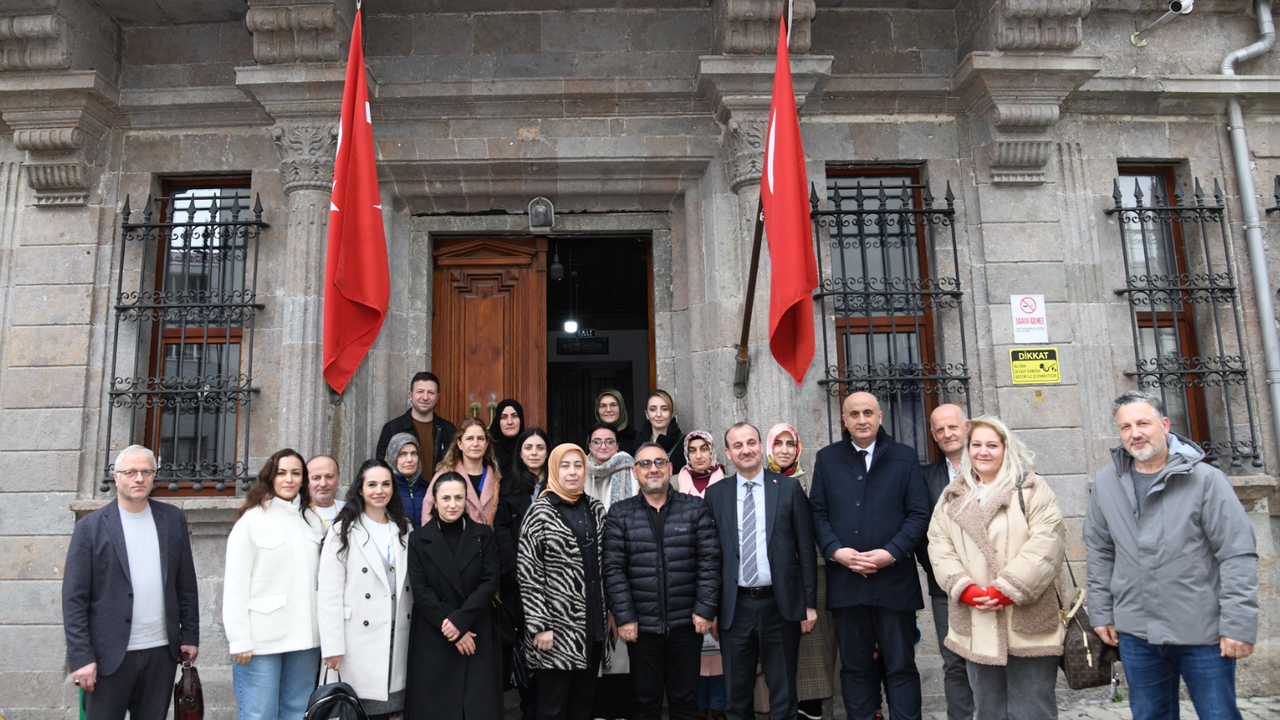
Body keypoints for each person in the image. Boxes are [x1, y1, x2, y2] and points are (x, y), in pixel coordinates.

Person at [1085, 390, 1258, 720]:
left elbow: (1237, 554)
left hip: (1202, 632)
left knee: (1218, 714)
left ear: (1164, 425)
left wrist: (1238, 625)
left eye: (1143, 423)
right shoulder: (1107, 483)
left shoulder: (1206, 480)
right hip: (1137, 633)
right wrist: (1102, 612)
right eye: (1125, 427)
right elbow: (1100, 551)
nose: (1135, 433)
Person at [926, 416, 1066, 720]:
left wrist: (1007, 590)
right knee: (989, 710)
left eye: (992, 445)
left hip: (1028, 619)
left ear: (1006, 447)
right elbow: (938, 545)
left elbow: (1047, 544)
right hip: (977, 620)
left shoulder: (1031, 489)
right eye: (976, 445)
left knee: (1033, 708)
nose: (983, 452)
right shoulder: (953, 495)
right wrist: (964, 588)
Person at [809, 392, 930, 720]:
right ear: (844, 421)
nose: (861, 420)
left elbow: (919, 514)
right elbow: (817, 512)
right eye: (854, 414)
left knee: (901, 666)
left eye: (867, 413)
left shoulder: (905, 458)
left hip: (895, 582)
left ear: (879, 417)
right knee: (855, 667)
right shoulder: (827, 458)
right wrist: (836, 551)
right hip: (847, 584)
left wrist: (891, 553)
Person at [62, 445, 199, 720]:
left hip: (161, 653)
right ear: (116, 476)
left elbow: (186, 585)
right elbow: (74, 599)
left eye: (146, 472)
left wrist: (191, 636)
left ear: (154, 476)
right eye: (131, 472)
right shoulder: (90, 528)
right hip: (107, 658)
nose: (139, 478)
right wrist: (81, 657)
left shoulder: (172, 520)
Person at [703, 423, 818, 720]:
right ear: (728, 454)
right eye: (737, 445)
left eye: (751, 442)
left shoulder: (789, 488)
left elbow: (806, 548)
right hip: (735, 606)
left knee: (783, 692)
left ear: (760, 446)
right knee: (736, 697)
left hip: (780, 605)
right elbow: (709, 556)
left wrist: (808, 603)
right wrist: (711, 608)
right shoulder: (716, 495)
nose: (746, 450)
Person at [602, 442, 721, 720]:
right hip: (640, 628)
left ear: (670, 468)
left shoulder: (694, 508)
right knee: (645, 703)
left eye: (659, 462)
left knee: (685, 702)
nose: (652, 469)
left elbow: (710, 560)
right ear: (635, 472)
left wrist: (705, 609)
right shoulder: (620, 514)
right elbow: (613, 568)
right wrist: (624, 616)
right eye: (645, 464)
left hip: (686, 625)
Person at [223, 448, 326, 720]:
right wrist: (239, 639)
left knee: (297, 712)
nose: (289, 479)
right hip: (261, 640)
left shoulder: (312, 521)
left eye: (296, 473)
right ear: (270, 477)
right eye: (281, 473)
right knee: (259, 714)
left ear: (304, 480)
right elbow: (234, 586)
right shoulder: (251, 522)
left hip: (306, 638)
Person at [518, 444, 610, 720]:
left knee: (583, 704)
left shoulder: (595, 509)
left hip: (592, 626)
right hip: (555, 631)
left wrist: (611, 614)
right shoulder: (539, 513)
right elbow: (528, 574)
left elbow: (606, 566)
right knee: (553, 708)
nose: (572, 472)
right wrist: (539, 626)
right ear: (553, 470)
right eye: (565, 466)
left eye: (578, 465)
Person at [318, 459, 413, 719]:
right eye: (372, 484)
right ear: (360, 489)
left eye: (385, 484)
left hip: (397, 641)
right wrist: (332, 647)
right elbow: (328, 594)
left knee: (393, 710)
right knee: (358, 711)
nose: (379, 490)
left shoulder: (404, 529)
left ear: (393, 489)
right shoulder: (343, 531)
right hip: (356, 643)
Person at [406, 472, 503, 720]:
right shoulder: (417, 538)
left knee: (477, 707)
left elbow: (489, 581)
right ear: (434, 502)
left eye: (459, 498)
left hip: (476, 629)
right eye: (446, 498)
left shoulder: (483, 534)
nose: (452, 504)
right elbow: (421, 589)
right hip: (436, 632)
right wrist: (453, 626)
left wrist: (461, 621)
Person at [763, 423, 835, 720]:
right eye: (777, 443)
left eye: (789, 444)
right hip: (770, 580)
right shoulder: (758, 482)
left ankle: (812, 713)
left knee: (813, 653)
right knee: (777, 656)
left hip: (812, 577)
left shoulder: (809, 482)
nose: (783, 450)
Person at [917, 404, 974, 720]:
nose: (947, 434)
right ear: (933, 435)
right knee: (954, 662)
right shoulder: (926, 477)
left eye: (952, 427)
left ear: (966, 426)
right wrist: (943, 572)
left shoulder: (992, 468)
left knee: (999, 659)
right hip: (946, 589)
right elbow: (923, 536)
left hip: (995, 586)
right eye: (939, 430)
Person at [495, 427, 551, 720]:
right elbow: (501, 528)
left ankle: (550, 707)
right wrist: (515, 567)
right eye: (528, 447)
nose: (534, 453)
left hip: (555, 580)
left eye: (539, 448)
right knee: (526, 642)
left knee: (553, 642)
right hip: (519, 581)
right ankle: (529, 708)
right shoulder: (507, 485)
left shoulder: (559, 483)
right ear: (520, 452)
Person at [673, 430, 728, 719]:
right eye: (692, 450)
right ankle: (696, 708)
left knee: (717, 643)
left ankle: (718, 706)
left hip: (718, 571)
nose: (698, 455)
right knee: (691, 648)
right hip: (684, 575)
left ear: (713, 451)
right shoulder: (673, 484)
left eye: (704, 449)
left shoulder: (728, 484)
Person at [583, 422, 636, 717]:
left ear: (618, 445)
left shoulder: (632, 471)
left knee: (623, 652)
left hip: (624, 573)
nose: (603, 447)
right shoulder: (579, 473)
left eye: (609, 442)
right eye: (597, 442)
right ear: (588, 445)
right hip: (589, 579)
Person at [375, 371, 458, 478]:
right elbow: (382, 467)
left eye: (431, 393)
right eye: (420, 391)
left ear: (437, 398)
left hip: (440, 492)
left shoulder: (449, 429)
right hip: (404, 493)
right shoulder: (392, 429)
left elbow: (457, 464)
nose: (425, 397)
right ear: (411, 395)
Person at [423, 417, 502, 526]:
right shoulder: (445, 473)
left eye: (480, 438)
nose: (475, 444)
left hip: (486, 541)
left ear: (486, 444)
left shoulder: (494, 478)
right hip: (453, 541)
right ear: (460, 444)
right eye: (469, 438)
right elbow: (428, 510)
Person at [633, 389, 686, 473]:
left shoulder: (684, 443)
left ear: (671, 414)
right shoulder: (637, 443)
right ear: (647, 414)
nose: (658, 414)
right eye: (653, 409)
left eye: (664, 409)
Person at [387, 433, 429, 530]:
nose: (410, 460)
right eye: (402, 454)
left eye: (414, 453)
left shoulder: (428, 490)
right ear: (393, 457)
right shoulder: (385, 490)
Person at [307, 454, 346, 528]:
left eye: (329, 477)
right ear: (306, 482)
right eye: (316, 478)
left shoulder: (350, 511)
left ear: (338, 480)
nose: (323, 484)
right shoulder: (298, 514)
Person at [489, 398, 526, 472]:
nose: (510, 422)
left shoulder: (529, 447)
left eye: (514, 416)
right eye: (504, 417)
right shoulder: (488, 449)